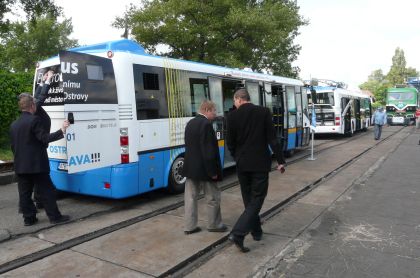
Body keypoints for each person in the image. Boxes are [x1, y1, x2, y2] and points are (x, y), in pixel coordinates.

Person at [226, 89, 286, 253]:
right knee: (257, 198)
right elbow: (272, 138)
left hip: (242, 164)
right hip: (260, 163)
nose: (234, 103)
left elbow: (230, 143)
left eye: (234, 100)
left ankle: (256, 231)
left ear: (239, 99)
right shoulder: (263, 112)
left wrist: (237, 156)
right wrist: (280, 161)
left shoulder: (231, 116)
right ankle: (238, 233)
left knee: (248, 199)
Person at [10, 93, 70, 226]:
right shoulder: (34, 120)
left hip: (21, 165)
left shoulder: (14, 124)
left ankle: (29, 219)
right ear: (32, 105)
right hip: (37, 165)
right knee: (47, 191)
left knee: (24, 194)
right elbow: (44, 138)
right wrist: (62, 130)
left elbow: (13, 147)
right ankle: (55, 217)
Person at [182, 100, 227, 235]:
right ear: (207, 110)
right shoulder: (206, 125)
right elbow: (208, 152)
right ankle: (214, 224)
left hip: (191, 168)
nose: (216, 114)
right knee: (212, 198)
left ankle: (190, 226)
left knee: (190, 198)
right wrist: (212, 172)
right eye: (214, 111)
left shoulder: (190, 123)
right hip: (205, 170)